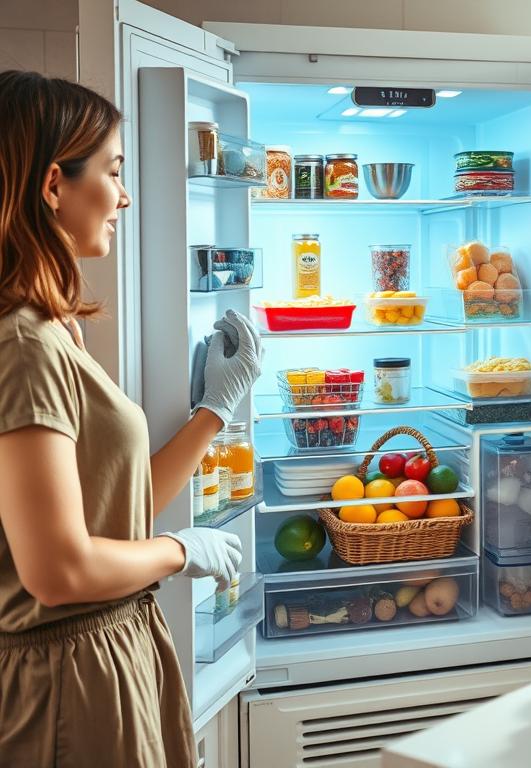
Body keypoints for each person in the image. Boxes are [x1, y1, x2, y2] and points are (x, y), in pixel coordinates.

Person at [0, 71, 262, 766]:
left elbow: (116, 504)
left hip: (104, 661)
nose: (125, 195)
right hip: (64, 684)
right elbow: (57, 569)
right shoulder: (22, 342)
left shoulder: (55, 326)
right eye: (113, 172)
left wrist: (215, 411)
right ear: (53, 185)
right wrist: (180, 552)